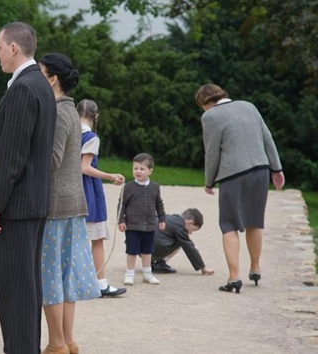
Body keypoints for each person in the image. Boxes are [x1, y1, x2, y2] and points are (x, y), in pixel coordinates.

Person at [0, 22, 57, 354]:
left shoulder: (24, 88)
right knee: (25, 289)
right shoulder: (40, 84)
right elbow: (23, 142)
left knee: (11, 289)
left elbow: (14, 157)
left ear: (14, 48)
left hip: (17, 205)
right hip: (34, 202)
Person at [33, 53, 99, 354]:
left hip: (56, 206)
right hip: (72, 204)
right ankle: (68, 341)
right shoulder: (70, 110)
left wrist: (19, 164)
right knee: (65, 277)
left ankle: (56, 343)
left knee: (50, 276)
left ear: (52, 78)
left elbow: (52, 160)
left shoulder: (58, 112)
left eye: (40, 72)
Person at [195, 83, 284, 294]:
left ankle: (234, 277)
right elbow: (268, 139)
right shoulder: (248, 106)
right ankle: (255, 268)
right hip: (260, 170)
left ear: (205, 103)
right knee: (255, 221)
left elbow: (212, 152)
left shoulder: (210, 117)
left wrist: (209, 181)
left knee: (229, 224)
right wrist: (277, 168)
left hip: (232, 174)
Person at [77, 99, 127, 298]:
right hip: (87, 190)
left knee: (73, 239)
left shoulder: (67, 132)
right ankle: (100, 282)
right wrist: (111, 176)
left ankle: (76, 282)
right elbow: (85, 168)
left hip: (68, 188)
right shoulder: (91, 137)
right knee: (96, 239)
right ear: (95, 116)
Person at [118, 153, 166, 286]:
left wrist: (162, 218)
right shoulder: (128, 187)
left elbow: (159, 204)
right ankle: (129, 274)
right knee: (132, 250)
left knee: (147, 250)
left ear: (150, 171)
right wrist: (121, 220)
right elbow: (122, 204)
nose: (138, 171)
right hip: (132, 225)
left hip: (149, 225)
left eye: (142, 169)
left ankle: (147, 274)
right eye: (135, 168)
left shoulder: (155, 187)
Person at [151, 208, 215, 275]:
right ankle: (160, 263)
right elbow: (190, 248)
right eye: (193, 229)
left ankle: (150, 262)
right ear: (190, 222)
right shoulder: (180, 227)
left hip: (143, 249)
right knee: (182, 241)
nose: (190, 233)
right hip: (154, 250)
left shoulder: (171, 218)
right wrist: (203, 268)